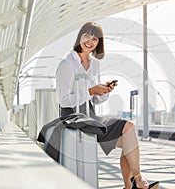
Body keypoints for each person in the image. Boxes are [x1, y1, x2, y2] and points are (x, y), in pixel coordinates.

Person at [56, 22, 157, 189]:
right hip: (72, 117)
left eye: (95, 38)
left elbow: (95, 100)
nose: (90, 41)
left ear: (98, 42)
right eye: (87, 36)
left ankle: (131, 184)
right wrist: (90, 91)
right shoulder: (67, 64)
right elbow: (63, 100)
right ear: (80, 37)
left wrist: (104, 91)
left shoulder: (94, 64)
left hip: (91, 115)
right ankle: (137, 182)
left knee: (129, 130)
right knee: (128, 139)